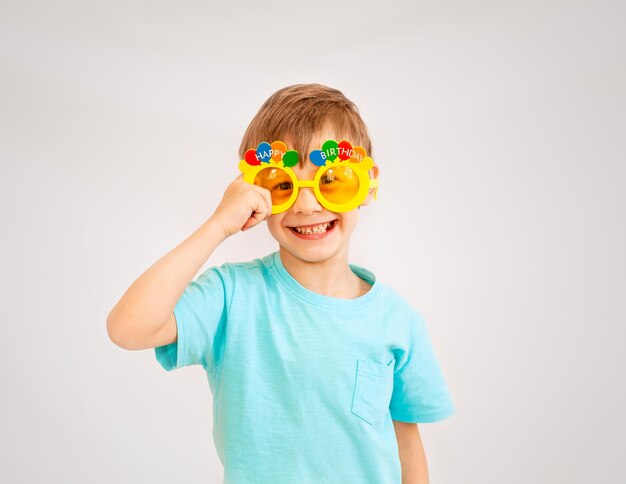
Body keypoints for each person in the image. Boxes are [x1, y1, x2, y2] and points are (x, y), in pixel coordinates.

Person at [107, 83, 455, 484]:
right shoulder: (231, 296)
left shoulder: (398, 321)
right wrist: (218, 225)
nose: (307, 206)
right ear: (255, 191)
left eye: (332, 180)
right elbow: (128, 327)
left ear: (368, 183)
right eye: (282, 185)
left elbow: (407, 446)